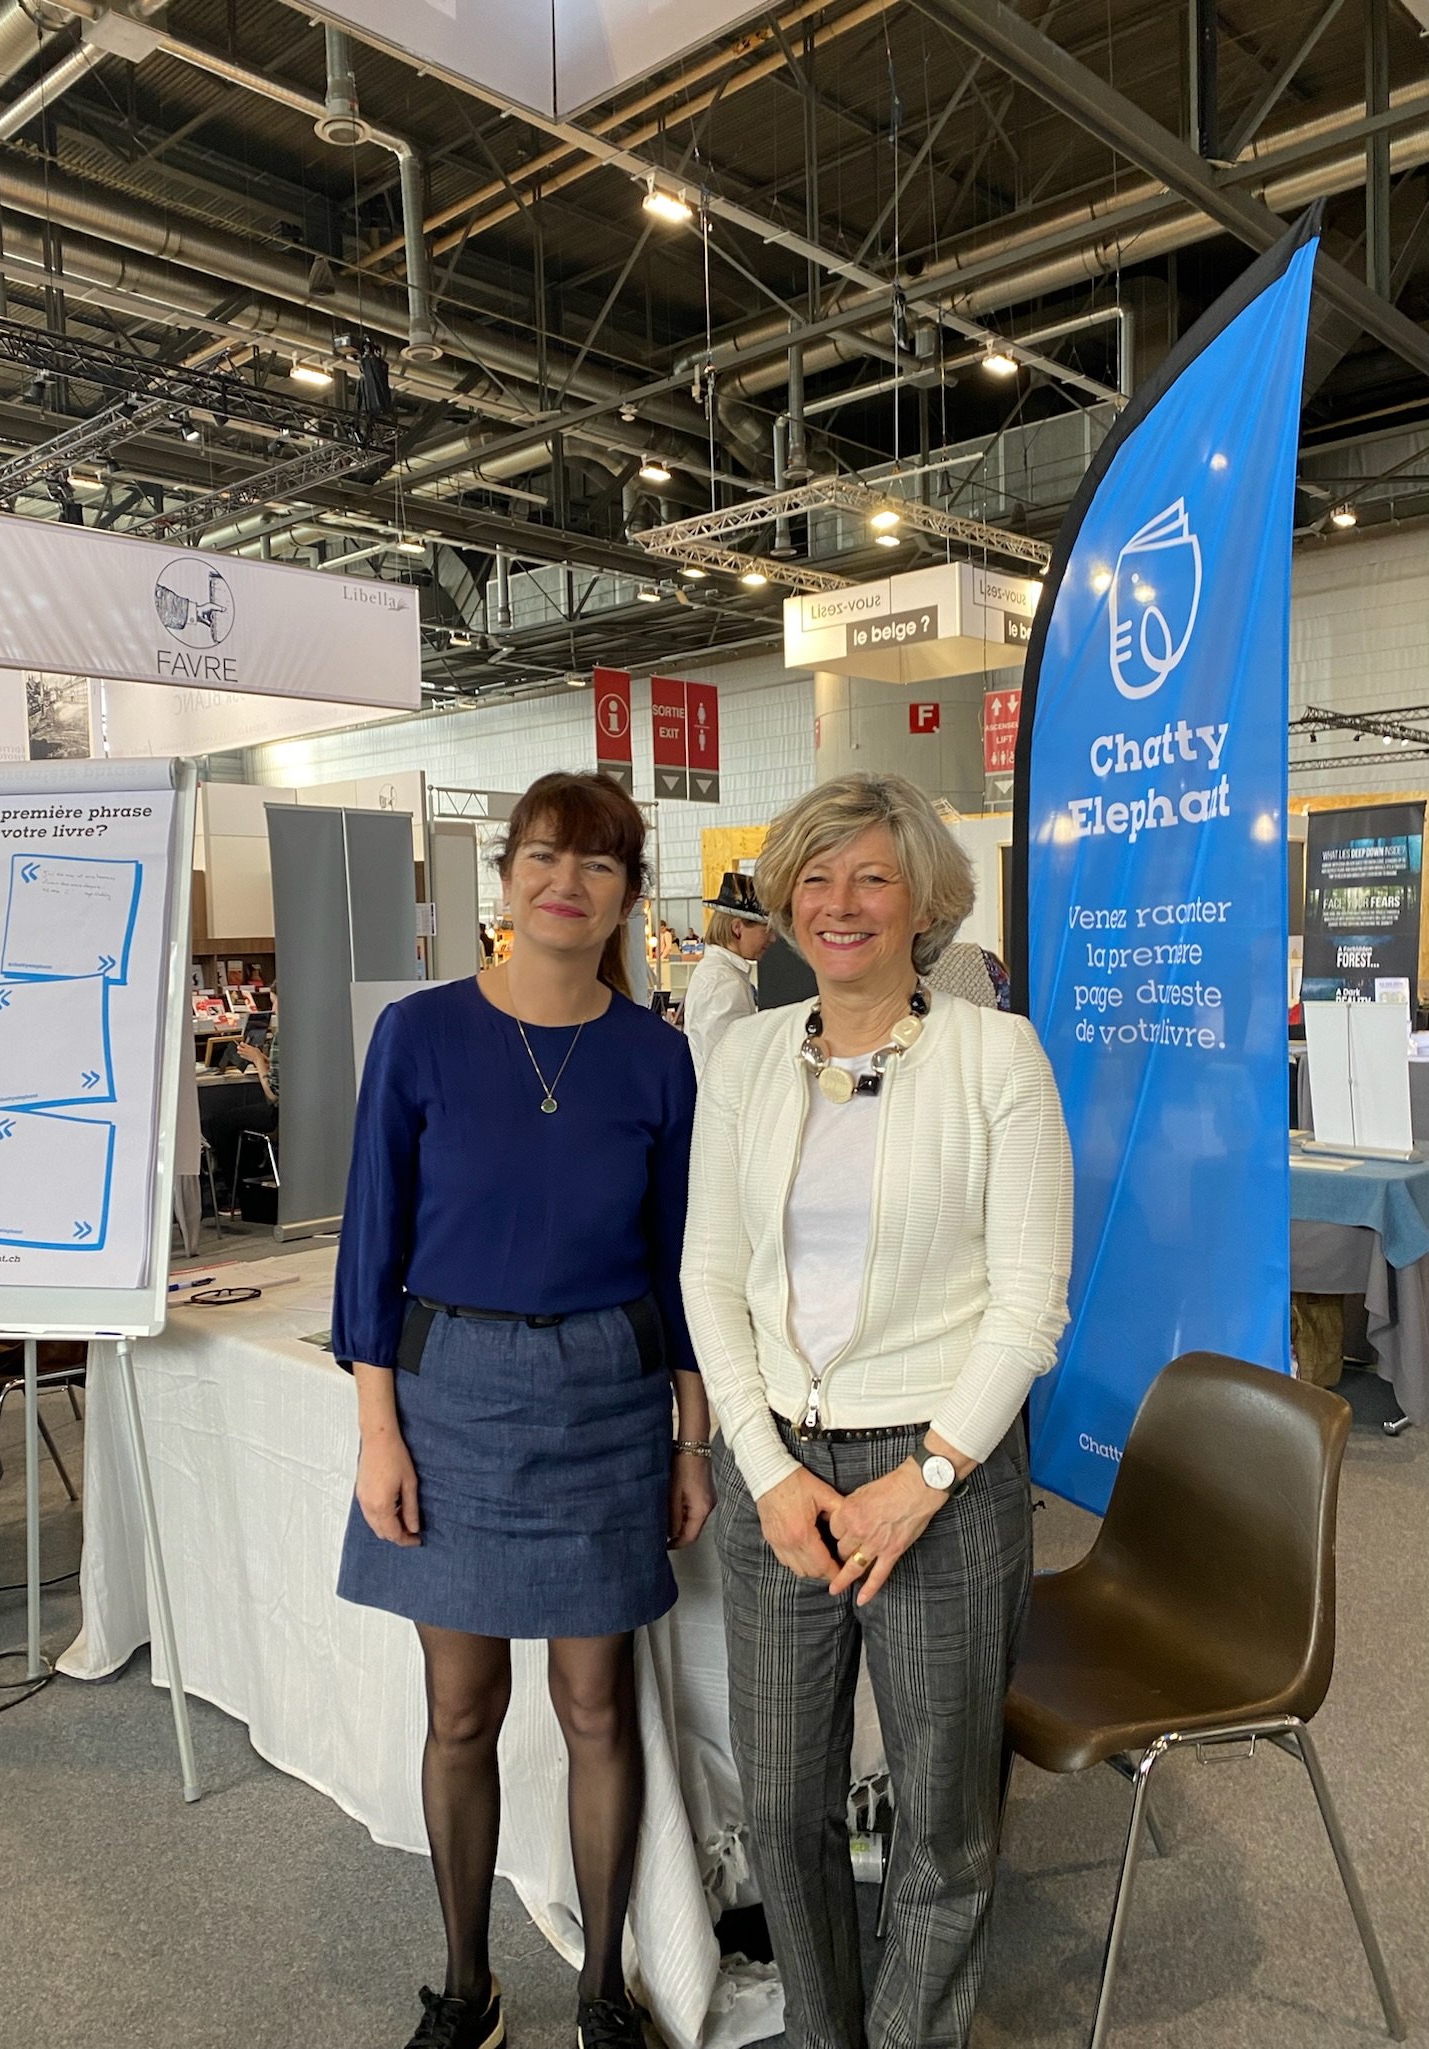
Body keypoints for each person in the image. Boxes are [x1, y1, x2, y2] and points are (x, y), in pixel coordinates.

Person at [681, 772, 1072, 2049]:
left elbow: (1028, 1305)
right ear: (784, 901)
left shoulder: (995, 1056)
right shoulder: (744, 1059)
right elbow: (709, 1278)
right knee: (783, 1811)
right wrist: (764, 1468)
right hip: (779, 1484)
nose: (838, 904)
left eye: (871, 877)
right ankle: (822, 2032)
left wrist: (930, 1477)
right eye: (814, 877)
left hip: (940, 1481)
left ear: (922, 903)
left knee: (942, 1823)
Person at [332, 771, 715, 2049]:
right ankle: (467, 1987)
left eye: (599, 864)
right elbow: (372, 1248)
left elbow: (681, 1264)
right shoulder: (421, 1034)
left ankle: (602, 1988)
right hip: (448, 1396)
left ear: (627, 895)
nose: (567, 883)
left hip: (607, 1396)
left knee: (596, 1706)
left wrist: (692, 1440)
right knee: (460, 1710)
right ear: (504, 876)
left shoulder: (656, 1056)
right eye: (545, 856)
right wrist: (378, 1432)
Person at [682, 871, 775, 1077]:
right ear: (737, 928)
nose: (772, 938)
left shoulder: (722, 975)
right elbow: (725, 1066)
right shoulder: (723, 983)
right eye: (766, 929)